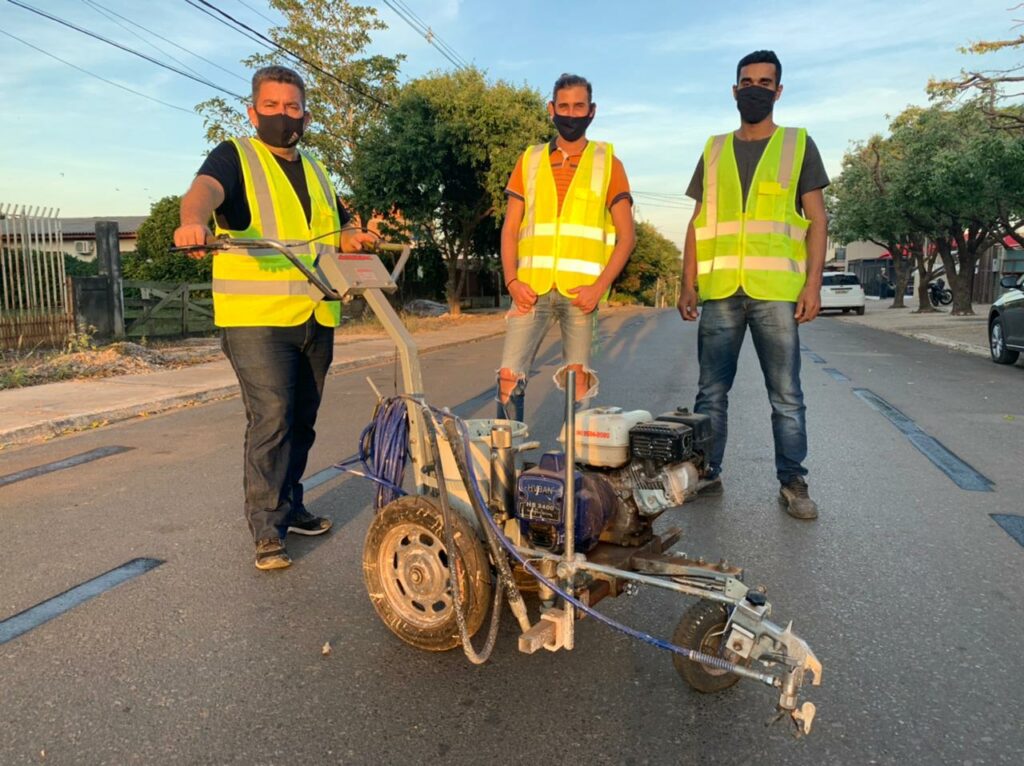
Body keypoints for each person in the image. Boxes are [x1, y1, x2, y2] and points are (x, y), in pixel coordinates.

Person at [173, 65, 376, 570]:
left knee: (302, 422)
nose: (283, 116)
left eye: (292, 107)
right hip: (257, 318)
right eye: (272, 106)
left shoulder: (317, 171)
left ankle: (292, 504)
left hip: (316, 313)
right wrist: (192, 222)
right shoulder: (235, 156)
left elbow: (340, 225)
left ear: (305, 114)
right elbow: (203, 193)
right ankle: (267, 528)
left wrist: (353, 238)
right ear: (252, 110)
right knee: (273, 418)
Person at [677, 50, 829, 520]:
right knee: (710, 392)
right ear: (735, 89)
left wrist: (813, 285)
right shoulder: (715, 147)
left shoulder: (798, 144)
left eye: (765, 82)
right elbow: (698, 221)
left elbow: (818, 220)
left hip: (775, 292)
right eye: (747, 81)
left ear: (778, 91)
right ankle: (708, 471)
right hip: (720, 290)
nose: (755, 88)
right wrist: (688, 282)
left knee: (786, 394)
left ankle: (793, 482)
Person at [497, 73, 636, 420]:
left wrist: (599, 289)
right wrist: (512, 282)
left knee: (579, 384)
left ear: (591, 111)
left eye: (578, 106)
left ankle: (576, 468)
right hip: (530, 290)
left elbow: (627, 235)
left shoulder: (609, 164)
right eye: (564, 106)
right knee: (507, 378)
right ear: (551, 109)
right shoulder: (528, 160)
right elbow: (510, 227)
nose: (571, 114)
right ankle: (505, 469)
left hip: (581, 296)